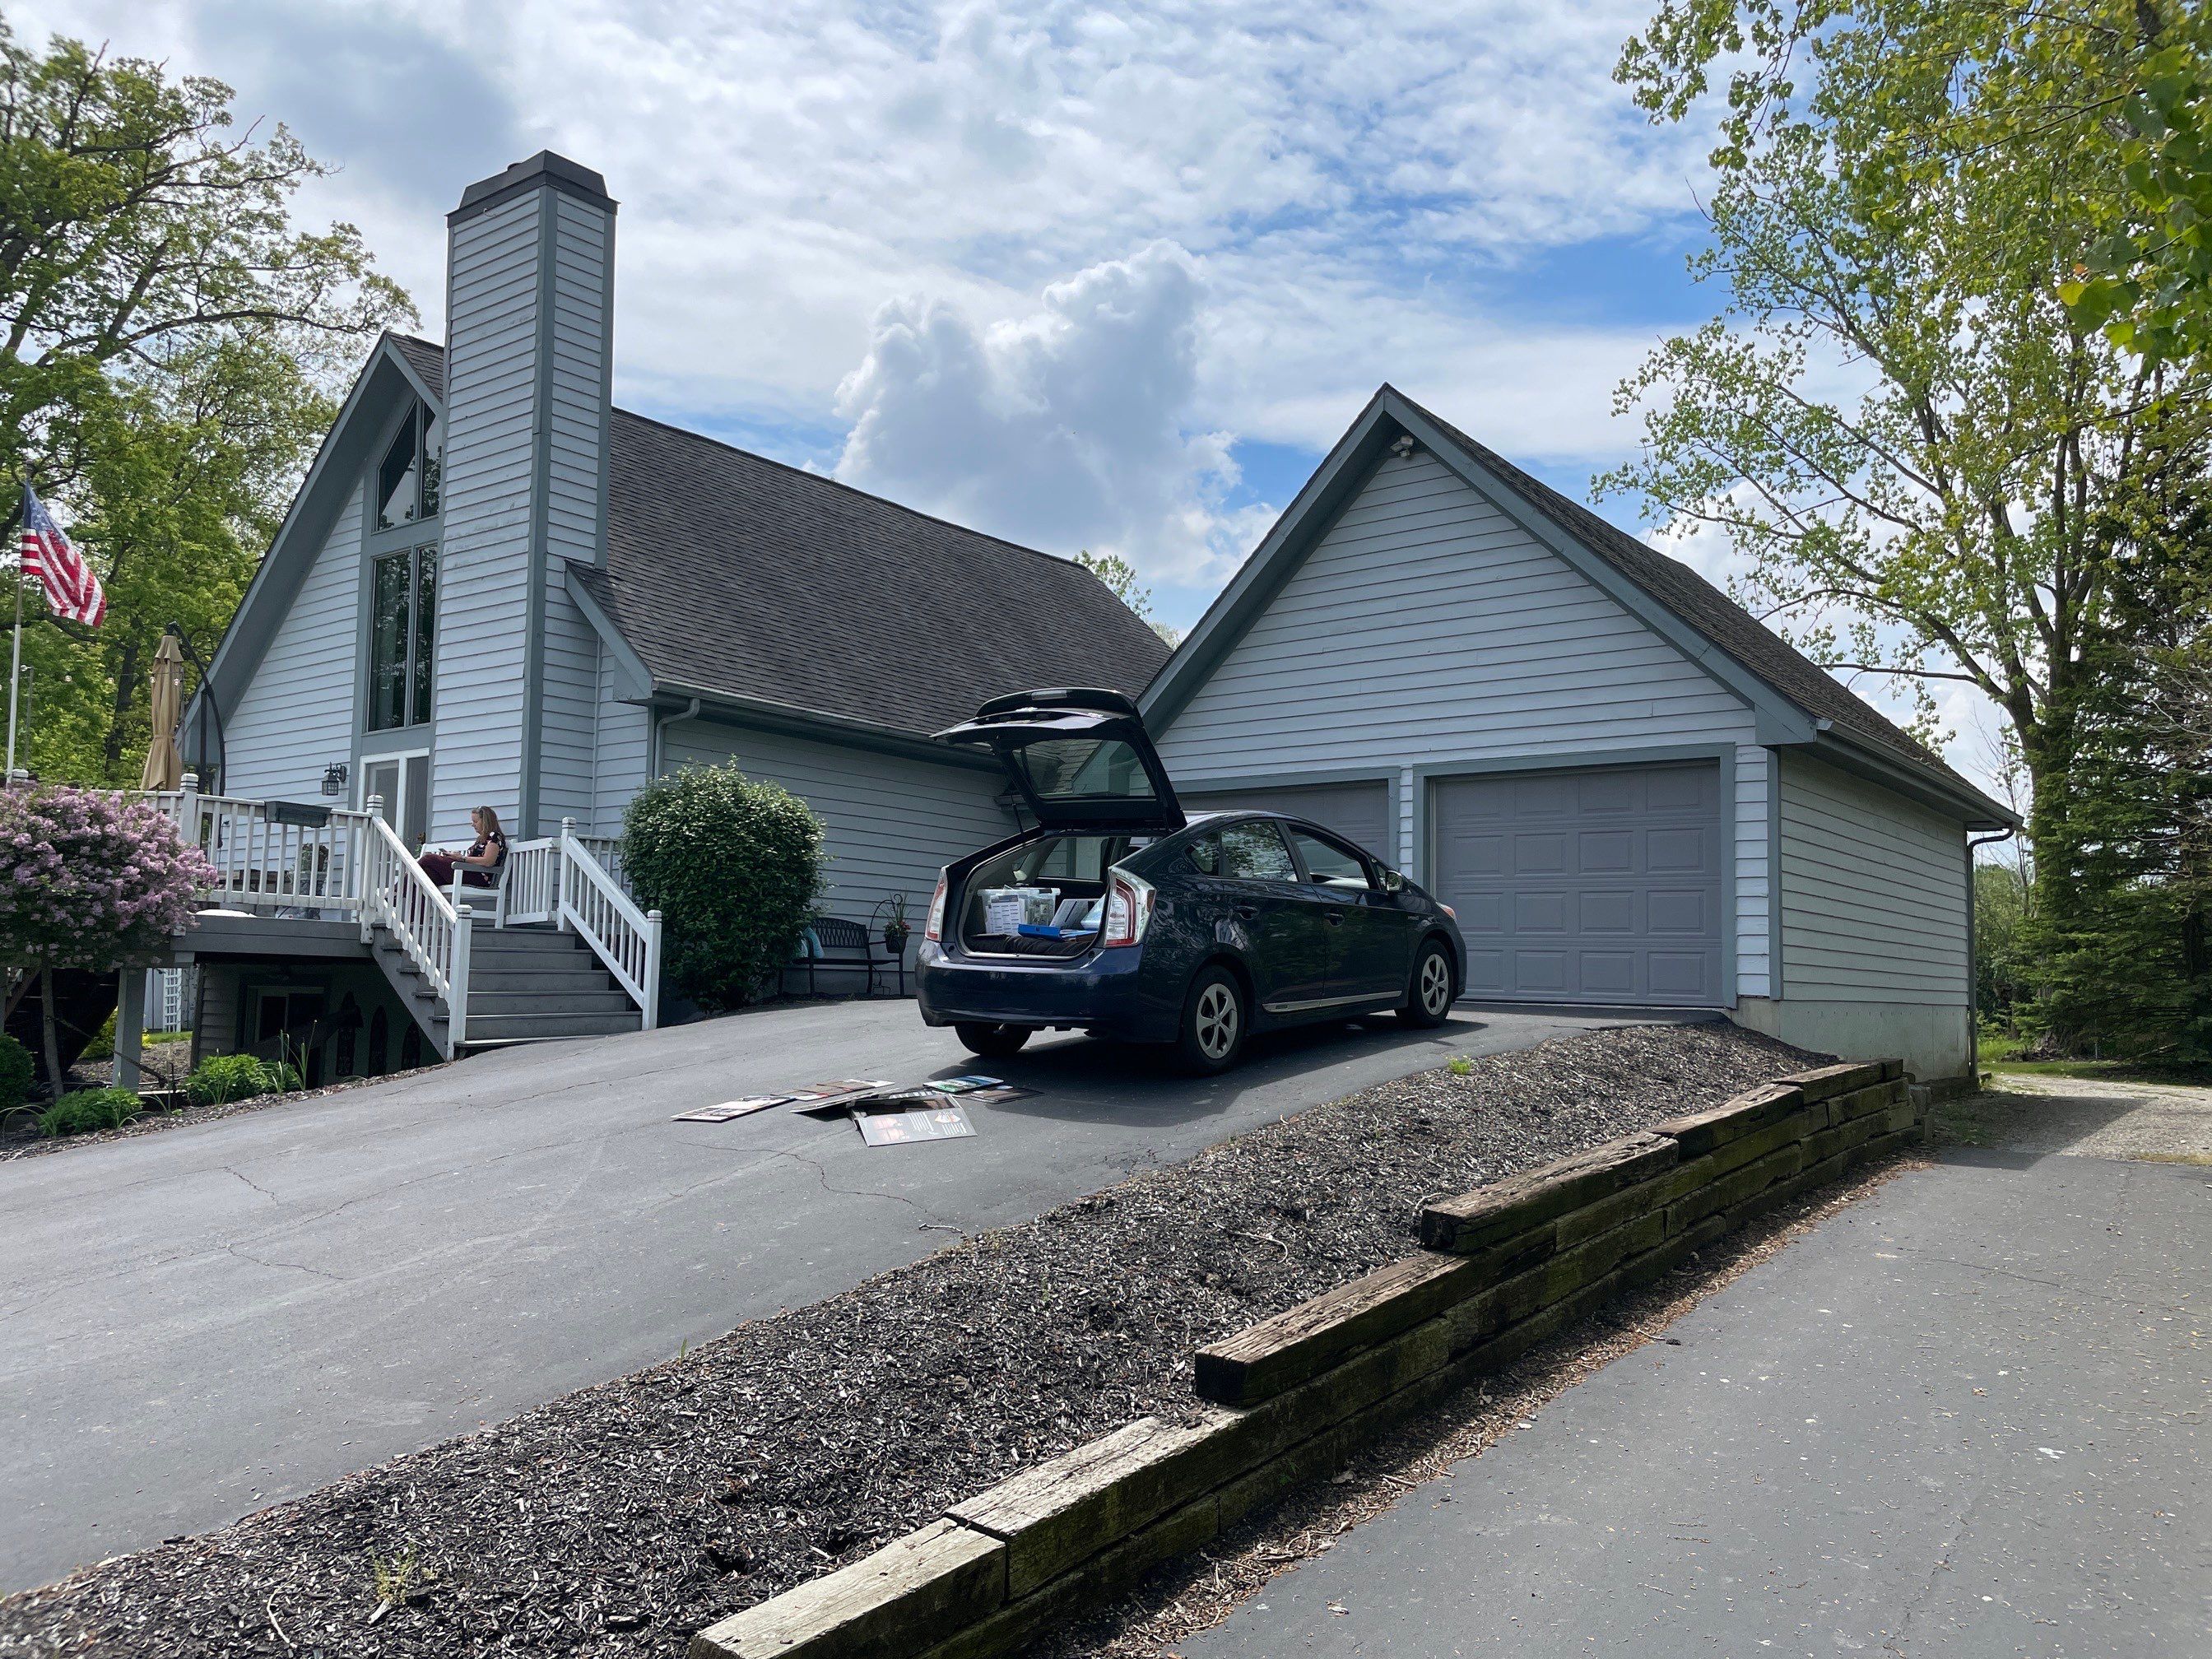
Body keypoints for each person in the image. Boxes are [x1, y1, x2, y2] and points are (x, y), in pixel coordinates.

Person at [419, 806, 508, 890]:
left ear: (486, 821)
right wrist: (457, 857)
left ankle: (406, 878)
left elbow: (488, 861)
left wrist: (462, 858)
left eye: (475, 821)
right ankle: (410, 893)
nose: (473, 825)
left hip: (478, 877)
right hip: (467, 872)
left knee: (429, 858)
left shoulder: (495, 837)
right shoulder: (481, 838)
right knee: (427, 875)